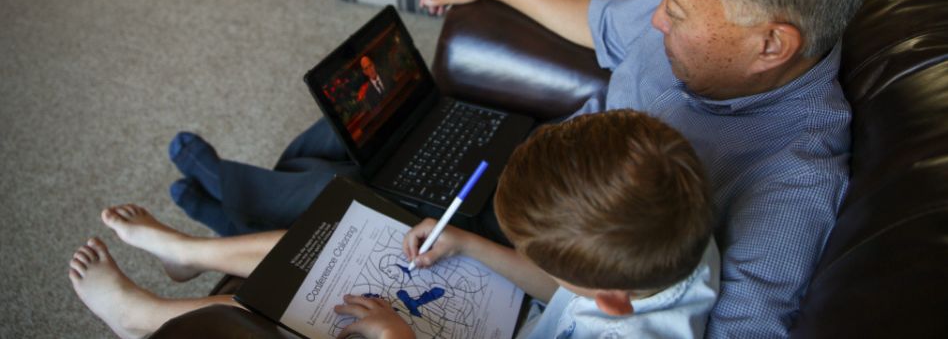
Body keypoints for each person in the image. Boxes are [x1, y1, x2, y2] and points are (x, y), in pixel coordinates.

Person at [165, 0, 870, 336]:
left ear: (772, 44)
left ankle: (226, 206)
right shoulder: (704, 21)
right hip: (540, 177)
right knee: (360, 127)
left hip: (558, 245)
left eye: (678, 10)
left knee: (353, 199)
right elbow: (597, 17)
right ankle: (232, 208)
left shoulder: (793, 186)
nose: (656, 21)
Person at [70, 110, 720, 339]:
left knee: (311, 315)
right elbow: (560, 290)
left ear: (609, 297)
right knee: (345, 245)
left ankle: (146, 320)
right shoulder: (669, 239)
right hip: (524, 319)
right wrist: (467, 241)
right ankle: (189, 251)